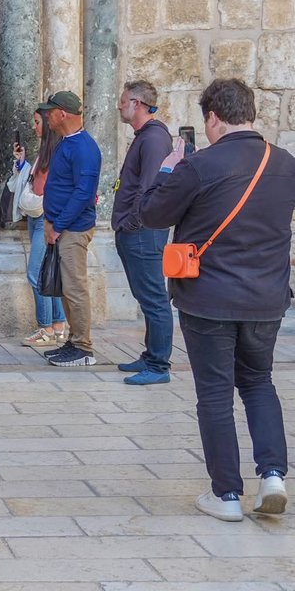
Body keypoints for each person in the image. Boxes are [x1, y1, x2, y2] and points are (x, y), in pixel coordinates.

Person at [140, 78, 294, 522]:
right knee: (259, 383)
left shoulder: (199, 165)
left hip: (209, 299)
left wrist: (167, 169)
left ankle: (226, 494)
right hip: (266, 298)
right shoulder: (285, 163)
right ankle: (273, 476)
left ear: (212, 117)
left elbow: (152, 214)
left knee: (214, 394)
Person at [112, 80, 175, 386]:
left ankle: (159, 365)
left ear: (137, 104)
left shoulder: (153, 139)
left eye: (123, 101)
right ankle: (151, 356)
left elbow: (150, 187)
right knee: (146, 296)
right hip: (136, 230)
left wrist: (132, 222)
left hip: (143, 232)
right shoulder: (145, 137)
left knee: (154, 298)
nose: (119, 105)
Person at [39, 91, 103, 368]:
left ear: (62, 113)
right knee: (66, 287)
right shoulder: (67, 143)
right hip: (62, 227)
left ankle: (83, 348)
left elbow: (84, 193)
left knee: (75, 288)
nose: (47, 116)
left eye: (50, 112)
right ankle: (74, 340)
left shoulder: (84, 148)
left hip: (73, 229)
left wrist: (59, 225)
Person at [9, 106, 67, 347]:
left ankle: (46, 328)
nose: (35, 127)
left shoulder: (56, 152)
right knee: (48, 271)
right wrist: (24, 163)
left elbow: (42, 187)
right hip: (37, 217)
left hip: (45, 218)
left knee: (35, 273)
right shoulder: (45, 150)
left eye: (37, 122)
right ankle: (58, 326)